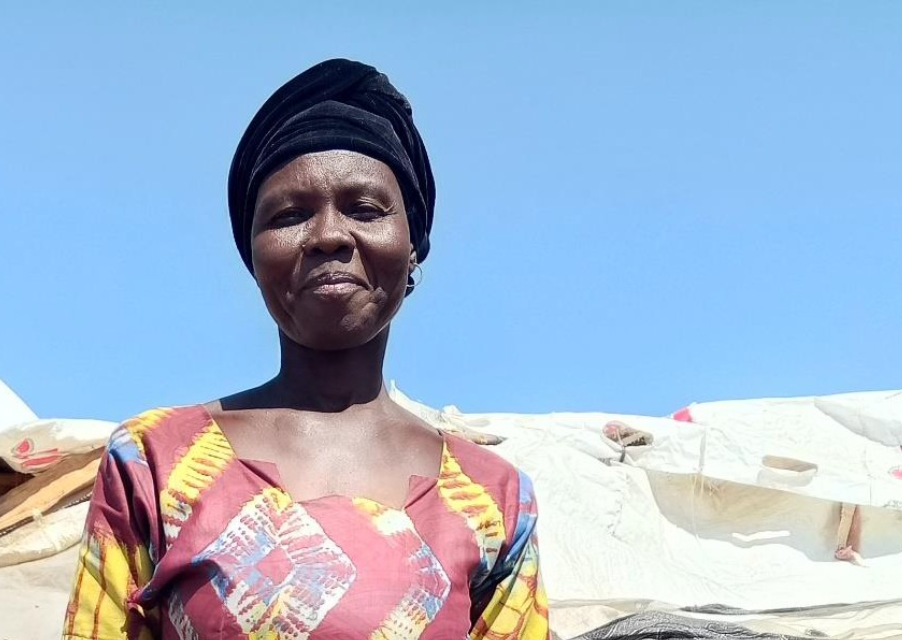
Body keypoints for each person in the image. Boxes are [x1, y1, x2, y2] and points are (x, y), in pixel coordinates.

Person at [62, 59, 549, 640]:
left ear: (414, 244)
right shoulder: (154, 462)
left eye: (365, 210)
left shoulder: (494, 498)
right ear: (254, 257)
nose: (329, 236)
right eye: (290, 216)